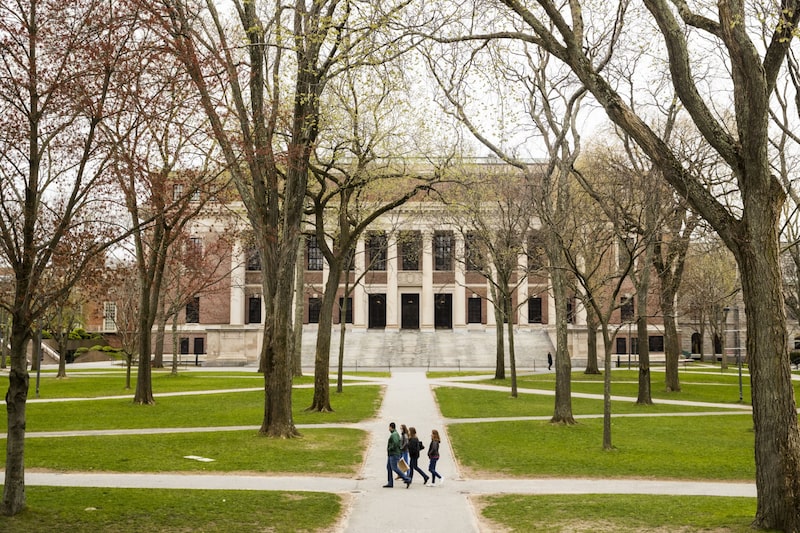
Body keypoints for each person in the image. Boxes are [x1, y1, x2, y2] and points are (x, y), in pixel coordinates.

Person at [384, 422, 411, 488]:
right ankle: (390, 482)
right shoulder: (394, 434)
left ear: (391, 427)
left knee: (394, 468)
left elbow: (396, 443)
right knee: (389, 467)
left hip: (394, 454)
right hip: (391, 454)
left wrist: (390, 448)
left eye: (389, 427)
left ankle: (407, 479)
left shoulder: (394, 435)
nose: (388, 429)